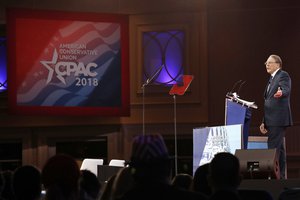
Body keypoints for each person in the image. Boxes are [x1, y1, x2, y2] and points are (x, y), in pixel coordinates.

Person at [259, 54, 293, 179]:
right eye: (266, 63)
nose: (267, 65)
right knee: (280, 151)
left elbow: (285, 89)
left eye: (269, 62)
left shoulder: (282, 75)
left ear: (277, 64)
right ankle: (281, 178)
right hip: (271, 119)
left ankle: (273, 179)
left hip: (278, 119)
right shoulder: (271, 79)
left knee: (273, 149)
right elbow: (268, 102)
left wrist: (281, 92)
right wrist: (264, 121)